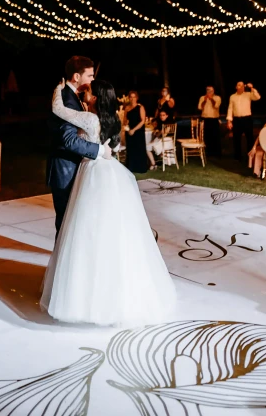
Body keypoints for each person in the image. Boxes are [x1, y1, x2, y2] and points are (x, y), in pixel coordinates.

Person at [41, 80, 176, 326]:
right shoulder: (114, 118)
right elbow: (115, 145)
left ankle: (86, 291)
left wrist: (58, 89)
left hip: (91, 170)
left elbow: (59, 110)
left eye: (91, 92)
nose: (87, 93)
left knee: (86, 227)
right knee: (112, 228)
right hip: (110, 170)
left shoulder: (90, 119)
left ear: (97, 97)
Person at [47, 56, 111, 236]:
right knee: (66, 223)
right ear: (76, 76)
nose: (93, 80)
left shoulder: (73, 97)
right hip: (66, 168)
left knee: (75, 224)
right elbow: (69, 140)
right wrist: (100, 151)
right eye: (90, 76)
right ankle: (62, 262)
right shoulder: (67, 99)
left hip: (78, 168)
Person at [226, 81, 261, 161]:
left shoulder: (248, 95)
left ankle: (250, 156)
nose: (241, 87)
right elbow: (230, 108)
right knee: (236, 138)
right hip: (237, 119)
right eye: (239, 85)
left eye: (242, 85)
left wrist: (252, 88)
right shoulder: (232, 97)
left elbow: (257, 97)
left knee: (249, 138)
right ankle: (237, 157)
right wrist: (229, 121)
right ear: (236, 87)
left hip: (247, 119)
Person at [124, 91, 148, 173]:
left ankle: (140, 167)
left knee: (139, 148)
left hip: (138, 131)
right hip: (129, 131)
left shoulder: (140, 107)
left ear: (137, 98)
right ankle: (131, 167)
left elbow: (142, 121)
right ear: (129, 98)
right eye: (131, 97)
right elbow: (125, 121)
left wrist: (134, 130)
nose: (132, 99)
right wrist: (127, 127)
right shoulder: (127, 108)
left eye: (134, 97)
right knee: (130, 149)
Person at [197, 86, 222, 156]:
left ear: (213, 91)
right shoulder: (202, 98)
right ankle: (207, 152)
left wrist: (211, 99)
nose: (209, 92)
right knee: (206, 136)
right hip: (205, 119)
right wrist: (205, 100)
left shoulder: (217, 98)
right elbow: (199, 107)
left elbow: (216, 106)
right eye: (208, 90)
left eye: (210, 91)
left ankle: (216, 153)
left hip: (214, 119)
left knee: (215, 136)